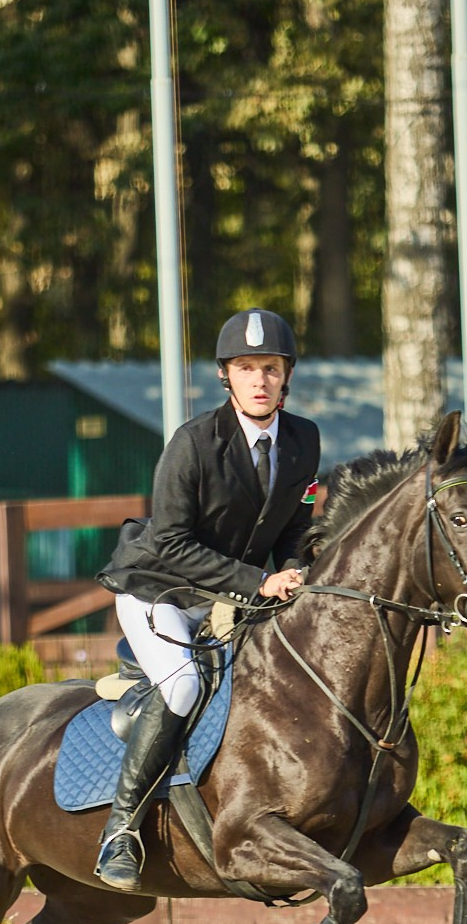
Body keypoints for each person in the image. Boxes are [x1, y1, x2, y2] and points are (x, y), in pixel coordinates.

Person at [92, 308, 323, 890]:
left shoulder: (303, 440)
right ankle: (121, 830)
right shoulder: (193, 442)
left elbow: (295, 528)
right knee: (185, 686)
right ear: (227, 376)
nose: (259, 380)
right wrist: (256, 582)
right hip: (160, 590)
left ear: (285, 374)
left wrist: (294, 570)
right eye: (247, 368)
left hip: (235, 598)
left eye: (270, 368)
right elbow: (168, 541)